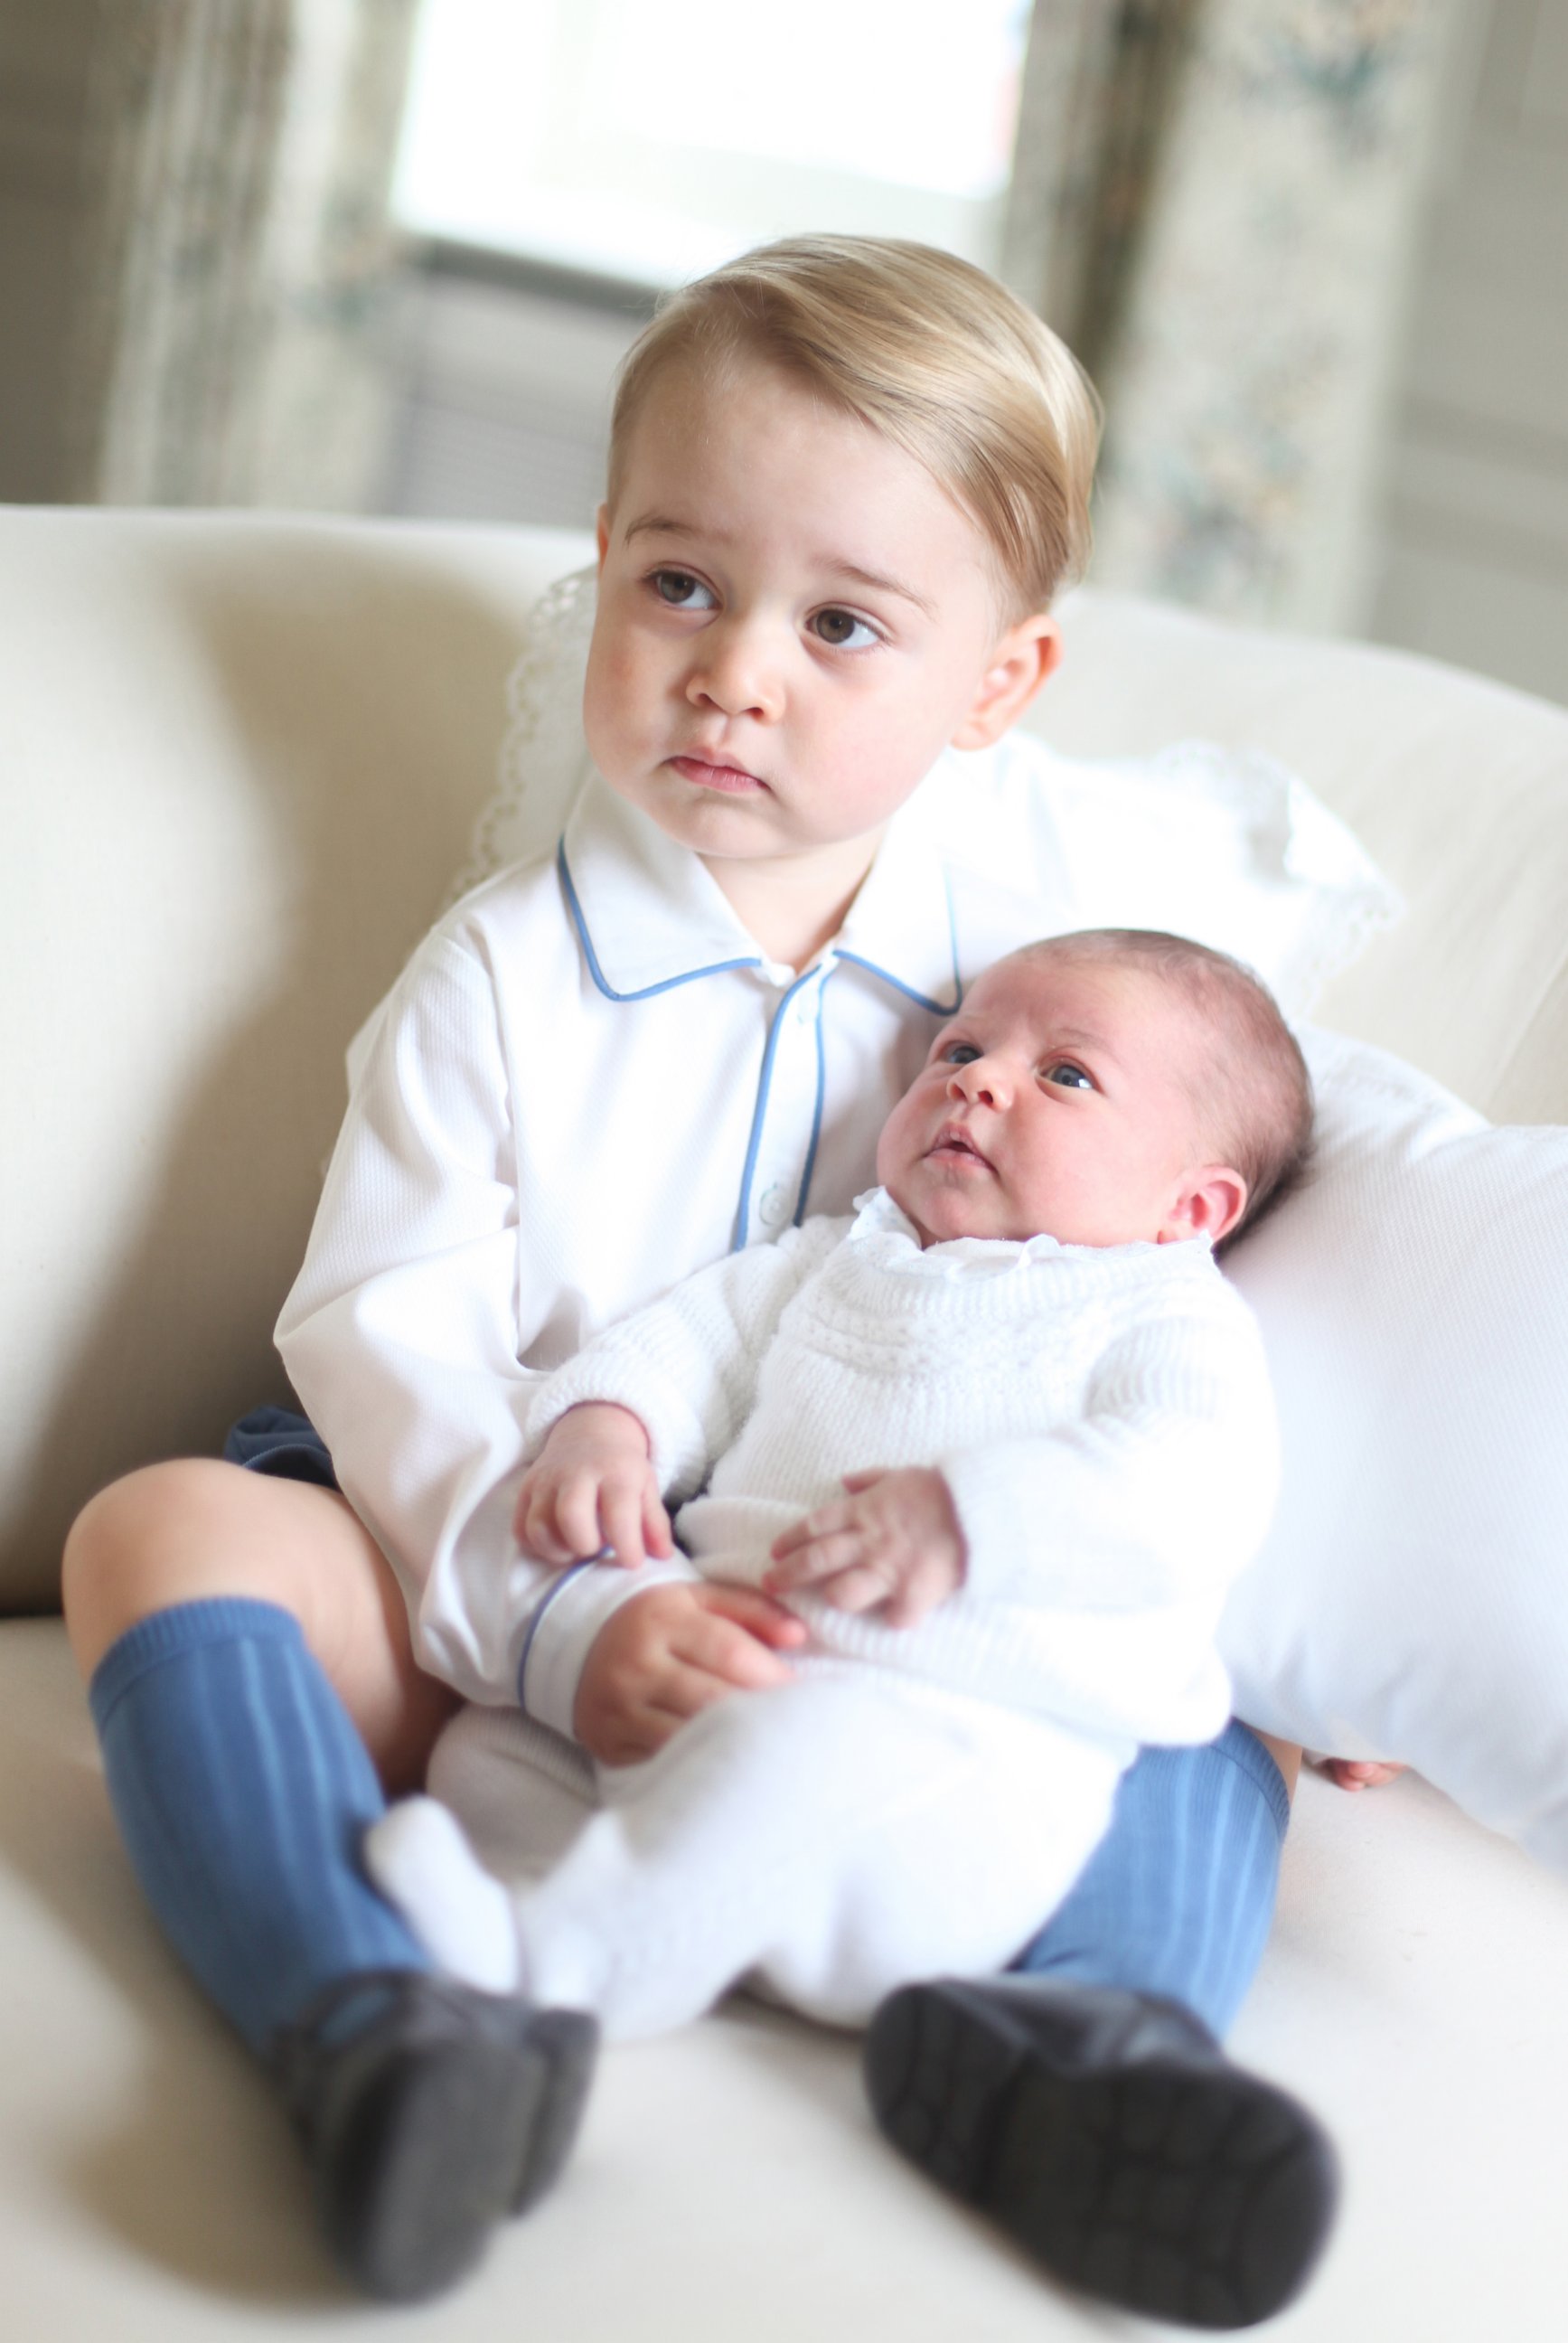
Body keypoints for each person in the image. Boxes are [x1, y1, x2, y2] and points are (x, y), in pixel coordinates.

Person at [62, 236, 1330, 2318]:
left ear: (994, 685)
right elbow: (384, 1335)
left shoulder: (1044, 980)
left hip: (891, 1614)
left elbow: (1228, 1228)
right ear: (603, 567)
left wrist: (1322, 1607)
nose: (733, 668)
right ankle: (375, 2018)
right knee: (165, 1530)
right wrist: (572, 1617)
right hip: (492, 1565)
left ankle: (1085, 2048)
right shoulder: (502, 974)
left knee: (1215, 1715)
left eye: (842, 622)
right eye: (677, 585)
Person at [365, 931, 1306, 2075]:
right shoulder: (834, 1255)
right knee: (495, 1747)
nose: (976, 1079)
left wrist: (968, 1519)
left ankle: (541, 1981)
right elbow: (689, 1345)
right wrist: (605, 1428)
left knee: (793, 1763)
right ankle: (551, 1895)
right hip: (712, 1688)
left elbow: (1189, 1486)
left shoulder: (1160, 1315)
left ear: (1191, 1208)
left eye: (1066, 1074)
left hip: (938, 1763)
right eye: (960, 1046)